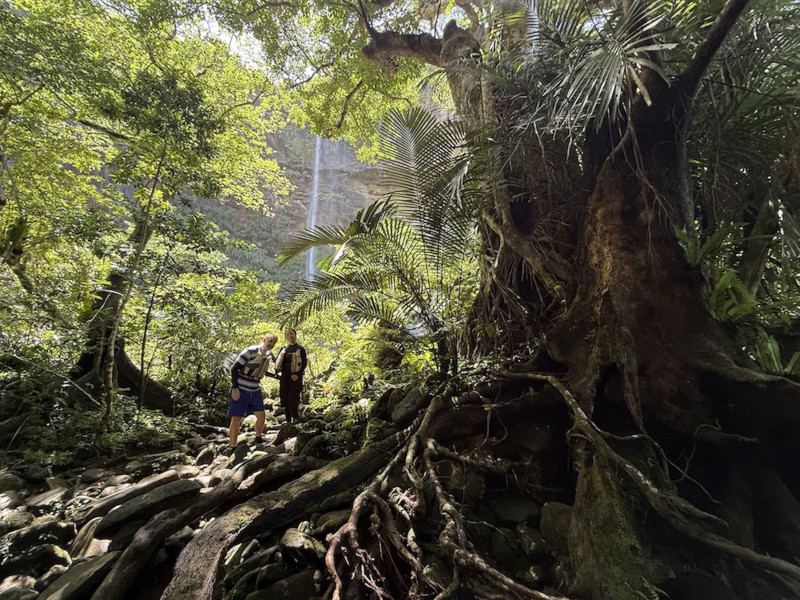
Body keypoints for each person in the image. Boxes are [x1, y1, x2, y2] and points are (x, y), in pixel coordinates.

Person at [228, 333, 278, 448]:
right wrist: (235, 388)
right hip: (241, 388)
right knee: (236, 418)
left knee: (261, 416)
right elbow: (235, 368)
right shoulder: (250, 351)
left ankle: (258, 438)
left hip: (255, 389)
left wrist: (278, 377)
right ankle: (233, 446)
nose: (271, 344)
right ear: (264, 339)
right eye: (269, 341)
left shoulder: (268, 355)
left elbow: (262, 371)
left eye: (273, 343)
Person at [274, 328, 307, 424]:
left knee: (293, 398)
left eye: (291, 334)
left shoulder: (300, 349)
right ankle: (288, 421)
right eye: (287, 335)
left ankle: (296, 418)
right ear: (285, 337)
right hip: (284, 377)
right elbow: (277, 362)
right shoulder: (283, 349)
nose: (290, 336)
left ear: (295, 335)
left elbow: (304, 363)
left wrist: (297, 374)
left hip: (296, 378)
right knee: (284, 398)